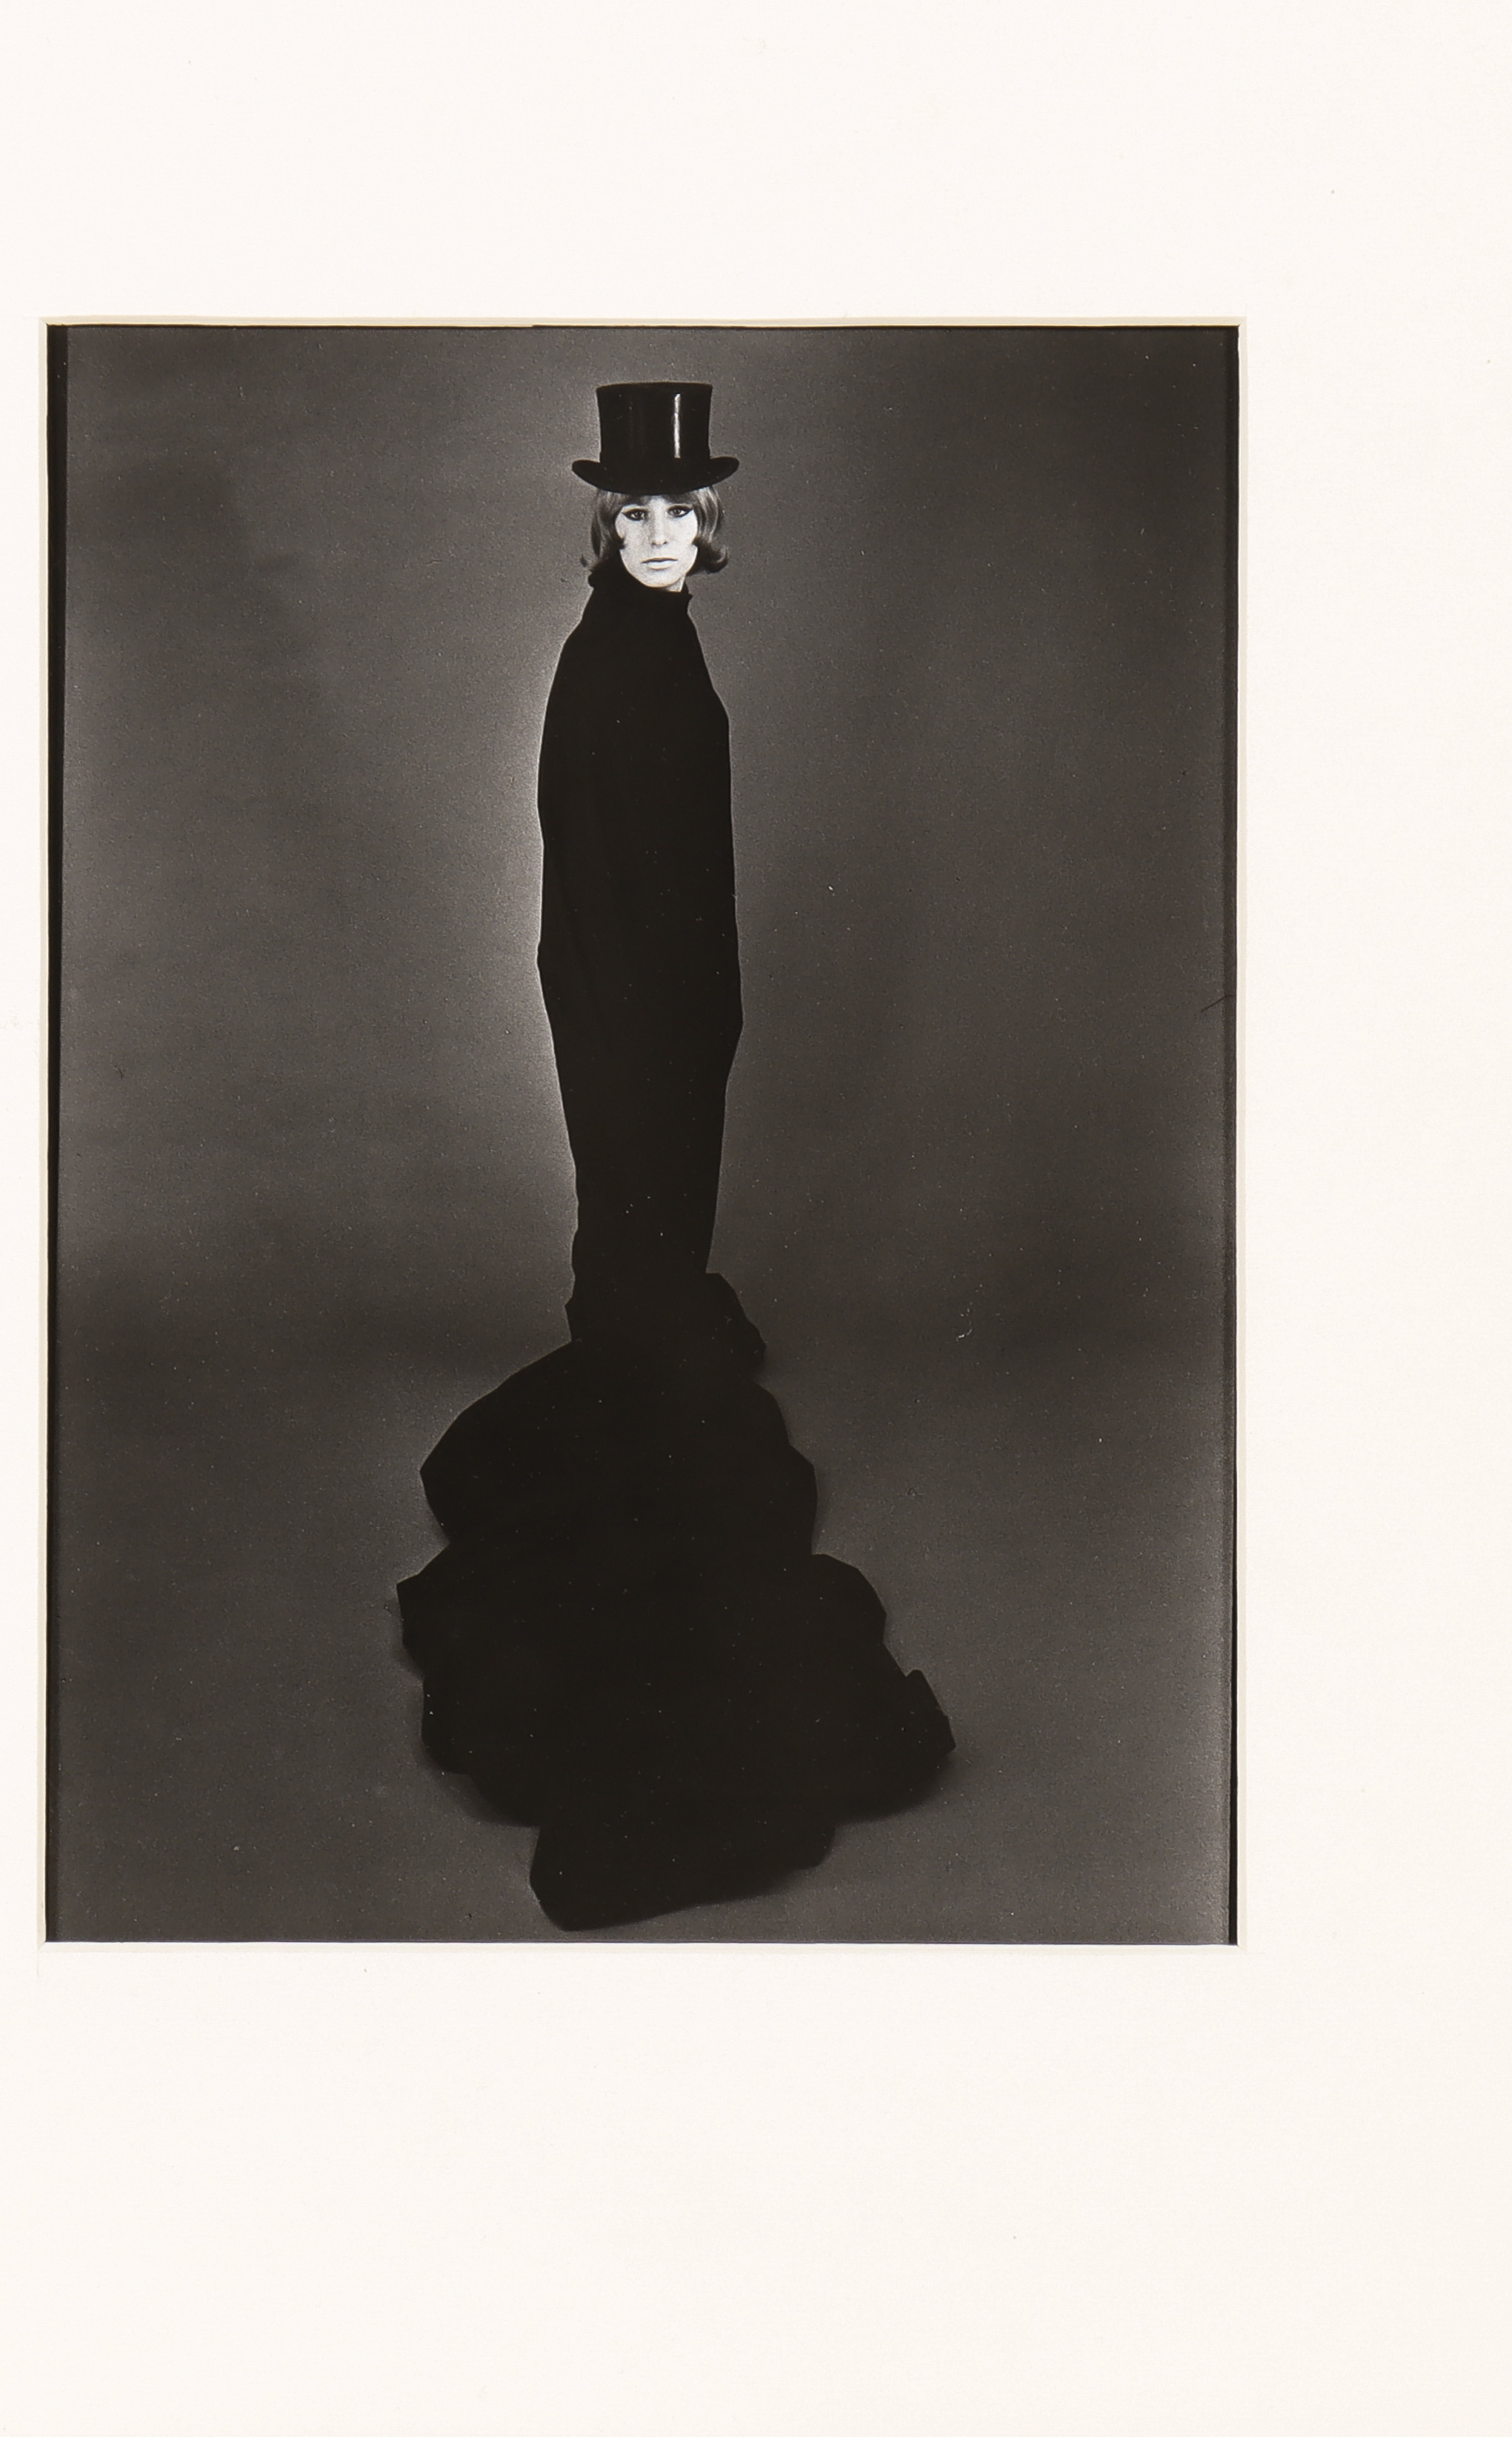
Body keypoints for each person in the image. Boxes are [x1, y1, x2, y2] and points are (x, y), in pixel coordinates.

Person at [399, 384, 952, 1930]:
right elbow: (590, 881)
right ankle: (646, 1493)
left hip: (668, 1015)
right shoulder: (611, 659)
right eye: (634, 512)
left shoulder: (656, 638)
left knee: (654, 1251)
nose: (658, 534)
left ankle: (646, 1415)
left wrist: (691, 1018)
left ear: (707, 524)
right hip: (633, 1019)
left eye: (680, 512)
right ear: (604, 523)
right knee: (643, 1249)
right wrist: (644, 1039)